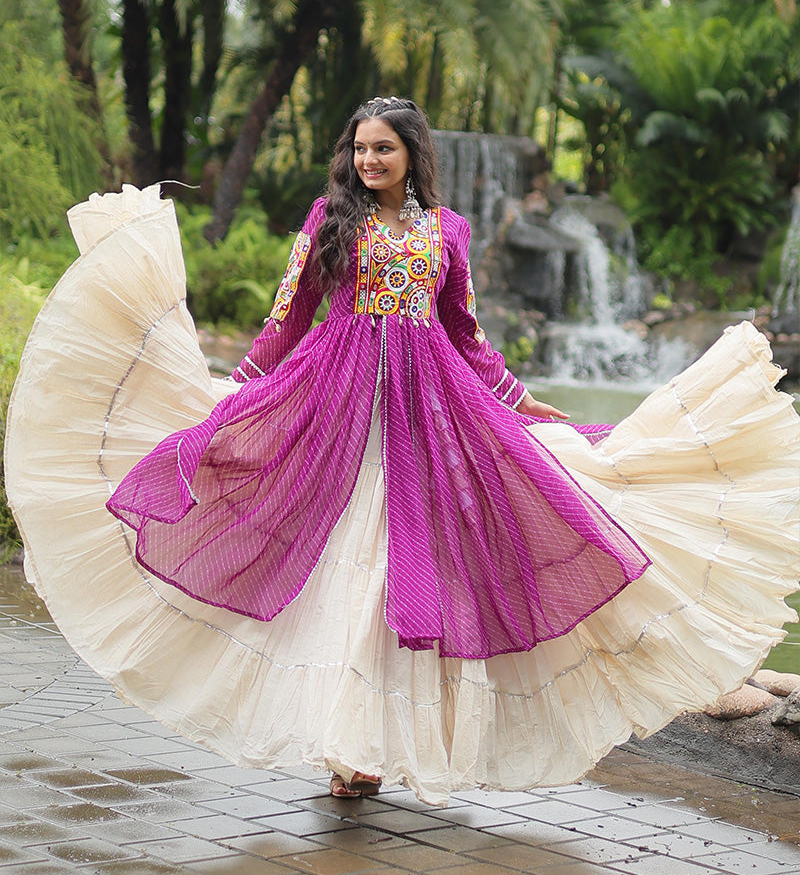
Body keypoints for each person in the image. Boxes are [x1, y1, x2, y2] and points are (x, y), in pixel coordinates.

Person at [5, 98, 800, 807]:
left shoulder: (446, 230)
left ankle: (371, 746)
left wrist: (521, 401)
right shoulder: (329, 218)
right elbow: (289, 318)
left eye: (382, 149)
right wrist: (236, 390)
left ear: (414, 154)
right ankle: (349, 751)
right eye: (359, 148)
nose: (367, 161)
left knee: (411, 564)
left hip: (434, 410)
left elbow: (467, 332)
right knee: (345, 566)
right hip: (334, 406)